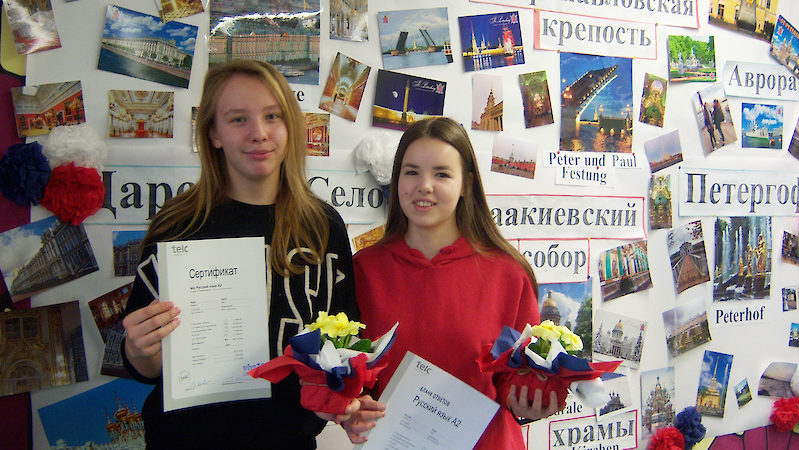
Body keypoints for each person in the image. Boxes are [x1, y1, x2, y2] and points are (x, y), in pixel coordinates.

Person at [121, 60, 381, 449]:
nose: (259, 133)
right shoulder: (175, 226)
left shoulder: (323, 226)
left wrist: (346, 403)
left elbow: (342, 345)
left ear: (290, 126)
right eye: (238, 119)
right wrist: (139, 351)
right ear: (213, 133)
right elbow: (145, 366)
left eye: (272, 116)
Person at [345, 117, 563, 448]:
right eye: (411, 172)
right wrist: (351, 409)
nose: (424, 185)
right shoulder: (364, 270)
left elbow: (517, 379)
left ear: (466, 184)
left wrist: (531, 400)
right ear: (397, 178)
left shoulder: (508, 274)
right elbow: (354, 379)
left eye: (442, 174)